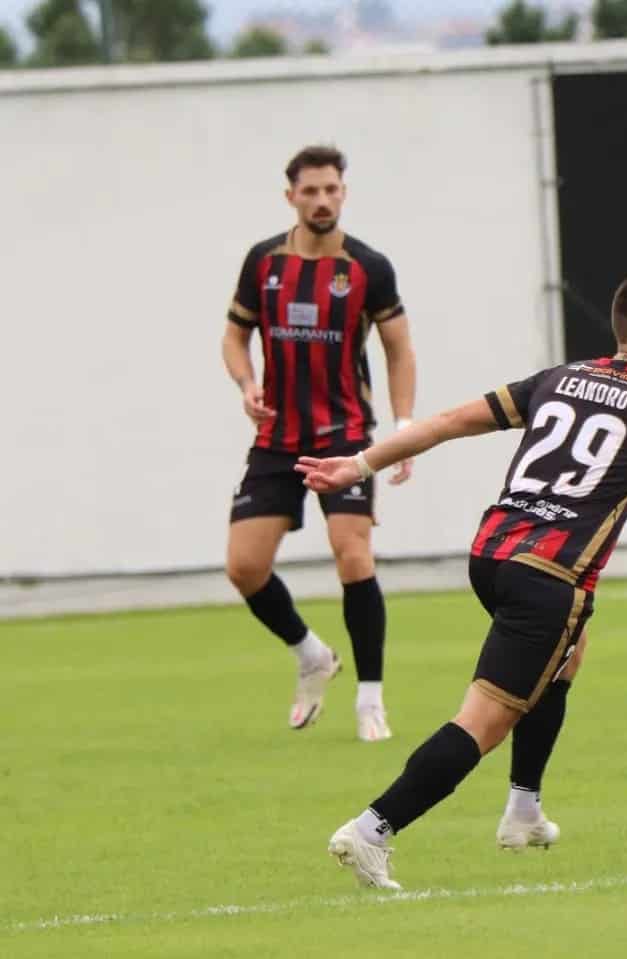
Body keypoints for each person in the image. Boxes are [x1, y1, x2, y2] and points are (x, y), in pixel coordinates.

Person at [301, 272, 627, 889]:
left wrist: (358, 463)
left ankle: (523, 811)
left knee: (569, 650)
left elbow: (445, 422)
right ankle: (371, 831)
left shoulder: (558, 378)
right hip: (547, 576)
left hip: (492, 554)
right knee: (483, 721)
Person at [222, 145, 417, 742]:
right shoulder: (263, 262)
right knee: (244, 567)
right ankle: (310, 654)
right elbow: (234, 336)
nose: (322, 200)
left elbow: (398, 349)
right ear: (291, 198)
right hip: (278, 439)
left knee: (352, 554)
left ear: (344, 193)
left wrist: (405, 429)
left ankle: (370, 700)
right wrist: (247, 382)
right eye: (310, 191)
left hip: (345, 436)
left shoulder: (368, 267)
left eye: (331, 189)